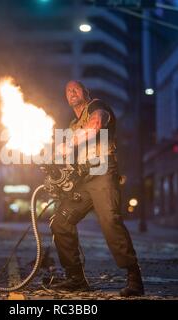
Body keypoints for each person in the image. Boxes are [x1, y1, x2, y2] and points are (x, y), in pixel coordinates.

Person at [49, 80, 144, 297]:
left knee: (110, 220)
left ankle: (134, 278)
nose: (71, 92)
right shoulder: (73, 124)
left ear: (85, 92)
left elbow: (97, 123)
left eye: (75, 88)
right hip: (84, 180)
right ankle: (75, 278)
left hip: (103, 173)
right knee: (60, 222)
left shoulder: (97, 106)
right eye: (67, 90)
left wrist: (69, 143)